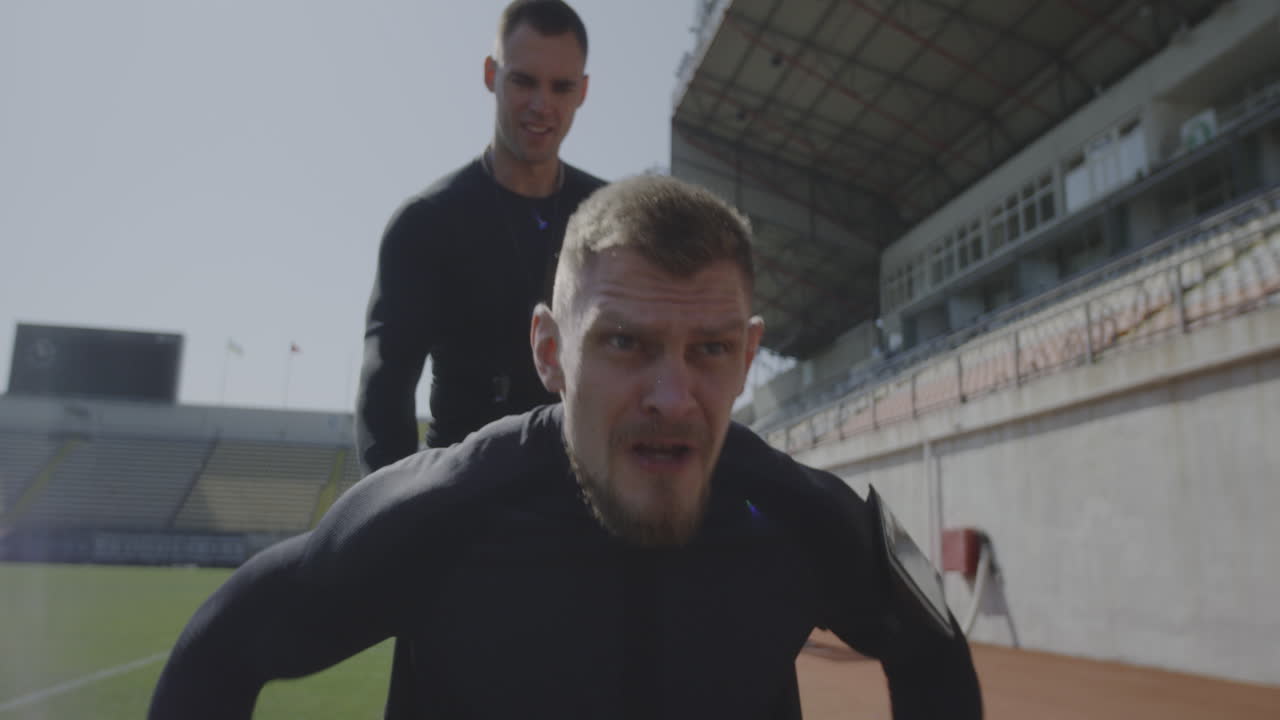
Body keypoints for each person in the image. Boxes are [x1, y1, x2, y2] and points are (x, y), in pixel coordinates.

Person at [149, 176, 983, 719]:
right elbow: (220, 644)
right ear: (550, 351)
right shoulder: (441, 514)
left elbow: (935, 651)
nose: (671, 396)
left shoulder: (803, 518)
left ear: (750, 355)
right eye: (625, 343)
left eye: (711, 349)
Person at [356, 0, 605, 475]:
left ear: (584, 91)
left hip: (584, 499)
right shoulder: (426, 222)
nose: (542, 104)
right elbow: (384, 389)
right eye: (524, 81)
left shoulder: (612, 218)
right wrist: (392, 520)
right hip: (466, 497)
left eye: (562, 86)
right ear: (491, 74)